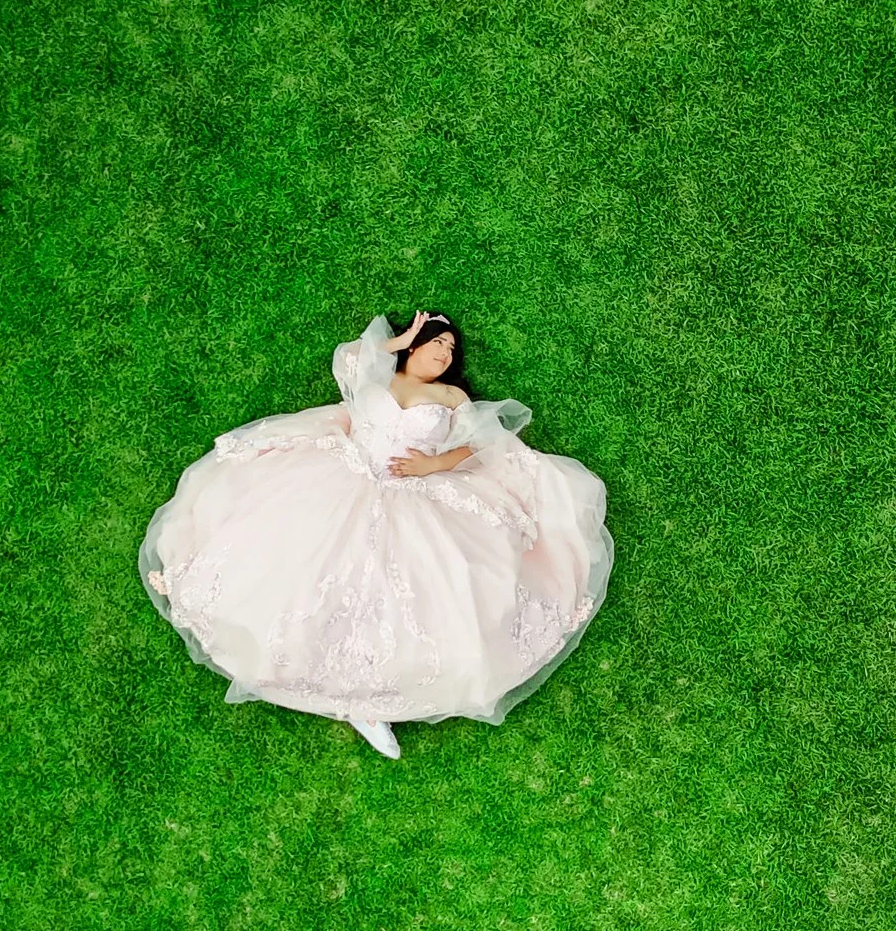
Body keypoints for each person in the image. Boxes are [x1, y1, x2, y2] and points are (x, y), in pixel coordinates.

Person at [138, 312, 614, 758]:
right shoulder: (378, 376)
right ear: (413, 347)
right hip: (341, 478)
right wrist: (399, 341)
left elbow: (480, 441)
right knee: (302, 567)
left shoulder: (451, 398)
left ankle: (371, 701)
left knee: (401, 589)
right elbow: (349, 358)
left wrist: (432, 463)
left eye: (450, 349)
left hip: (413, 493)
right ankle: (294, 666)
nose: (445, 353)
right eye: (437, 343)